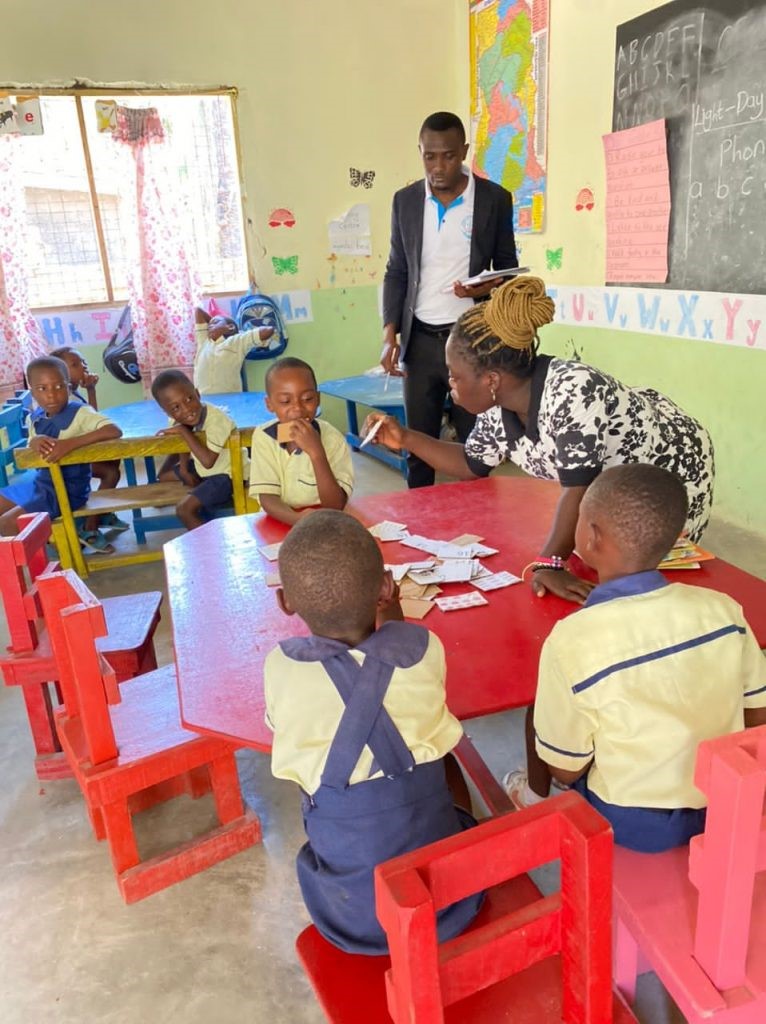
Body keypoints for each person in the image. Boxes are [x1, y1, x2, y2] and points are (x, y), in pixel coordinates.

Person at [366, 275, 715, 604]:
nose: (450, 386)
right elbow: (471, 463)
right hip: (610, 484)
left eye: (455, 377)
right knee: (594, 554)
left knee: (641, 575)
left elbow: (577, 490)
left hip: (671, 466)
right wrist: (406, 438)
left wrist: (547, 563)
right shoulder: (496, 407)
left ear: (491, 379)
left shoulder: (572, 392)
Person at [508, 464, 766, 852]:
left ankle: (532, 798)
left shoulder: (572, 640)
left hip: (634, 824)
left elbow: (566, 767)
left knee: (540, 717)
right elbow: (757, 714)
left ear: (591, 537)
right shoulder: (724, 610)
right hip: (724, 801)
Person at [265, 509, 483, 954]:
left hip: (351, 916)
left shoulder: (281, 666)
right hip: (449, 901)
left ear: (285, 601)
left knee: (316, 783)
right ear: (386, 588)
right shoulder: (425, 650)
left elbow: (281, 727)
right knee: (443, 759)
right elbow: (399, 643)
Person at [381, 110, 517, 488]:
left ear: (464, 152)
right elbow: (397, 271)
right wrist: (389, 334)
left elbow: (508, 269)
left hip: (471, 344)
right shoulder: (405, 202)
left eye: (449, 156)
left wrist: (484, 288)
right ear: (421, 152)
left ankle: (477, 530)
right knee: (418, 448)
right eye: (430, 156)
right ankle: (419, 530)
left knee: (476, 452)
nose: (439, 166)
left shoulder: (494, 200)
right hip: (420, 341)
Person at [0, 356, 122, 549]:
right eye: (43, 388)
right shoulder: (35, 417)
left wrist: (68, 444)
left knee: (7, 522)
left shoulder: (80, 412)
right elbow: (32, 440)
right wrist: (34, 441)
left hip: (66, 491)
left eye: (59, 387)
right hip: (42, 484)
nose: (52, 395)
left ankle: (37, 571)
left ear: (68, 386)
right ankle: (46, 543)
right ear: (32, 392)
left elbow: (113, 430)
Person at [249, 357, 353, 526]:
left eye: (307, 399)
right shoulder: (263, 436)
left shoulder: (332, 439)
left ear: (318, 399)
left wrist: (316, 453)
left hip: (325, 520)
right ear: (270, 404)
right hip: (280, 518)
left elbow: (335, 505)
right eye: (285, 401)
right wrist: (297, 520)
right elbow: (267, 497)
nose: (297, 408)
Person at [50, 346, 128, 539]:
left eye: (83, 362)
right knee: (111, 472)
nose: (83, 367)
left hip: (78, 454)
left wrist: (91, 390)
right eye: (75, 364)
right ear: (60, 372)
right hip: (67, 460)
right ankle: (90, 524)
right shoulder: (63, 399)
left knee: (113, 460)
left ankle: (102, 511)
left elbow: (91, 419)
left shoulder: (74, 393)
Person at [151, 370, 242, 531]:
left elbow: (208, 461)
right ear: (167, 412)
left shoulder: (217, 420)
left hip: (227, 475)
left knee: (184, 510)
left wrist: (183, 431)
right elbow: (184, 444)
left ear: (198, 394)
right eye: (176, 407)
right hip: (204, 470)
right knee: (163, 476)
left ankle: (207, 550)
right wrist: (184, 469)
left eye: (189, 398)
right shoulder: (177, 418)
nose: (186, 409)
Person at [193, 306, 274, 395]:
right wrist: (215, 323)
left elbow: (268, 330)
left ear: (230, 327)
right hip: (204, 399)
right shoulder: (204, 341)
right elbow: (198, 311)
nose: (210, 326)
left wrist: (240, 333)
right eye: (209, 326)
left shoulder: (237, 341)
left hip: (230, 399)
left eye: (215, 323)